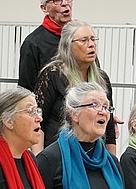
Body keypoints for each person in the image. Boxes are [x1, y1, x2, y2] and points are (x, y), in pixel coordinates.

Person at [35, 21, 116, 152]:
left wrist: (113, 164)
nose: (91, 45)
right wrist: (39, 160)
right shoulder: (53, 74)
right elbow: (38, 121)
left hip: (94, 152)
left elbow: (110, 129)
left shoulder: (102, 79)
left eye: (93, 39)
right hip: (59, 152)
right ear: (68, 45)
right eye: (84, 40)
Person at [18, 0, 73, 90]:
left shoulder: (81, 36)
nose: (65, 3)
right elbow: (26, 89)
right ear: (44, 8)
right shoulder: (33, 43)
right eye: (57, 0)